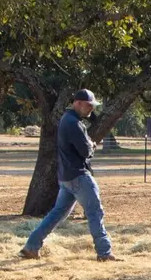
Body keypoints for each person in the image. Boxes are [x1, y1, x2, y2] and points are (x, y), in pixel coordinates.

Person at [20, 88, 115, 261]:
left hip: (66, 177)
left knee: (56, 214)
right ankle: (104, 252)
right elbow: (85, 151)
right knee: (95, 212)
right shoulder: (74, 123)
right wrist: (92, 146)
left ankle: (31, 246)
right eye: (89, 105)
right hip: (79, 175)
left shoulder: (67, 120)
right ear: (78, 103)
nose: (91, 109)